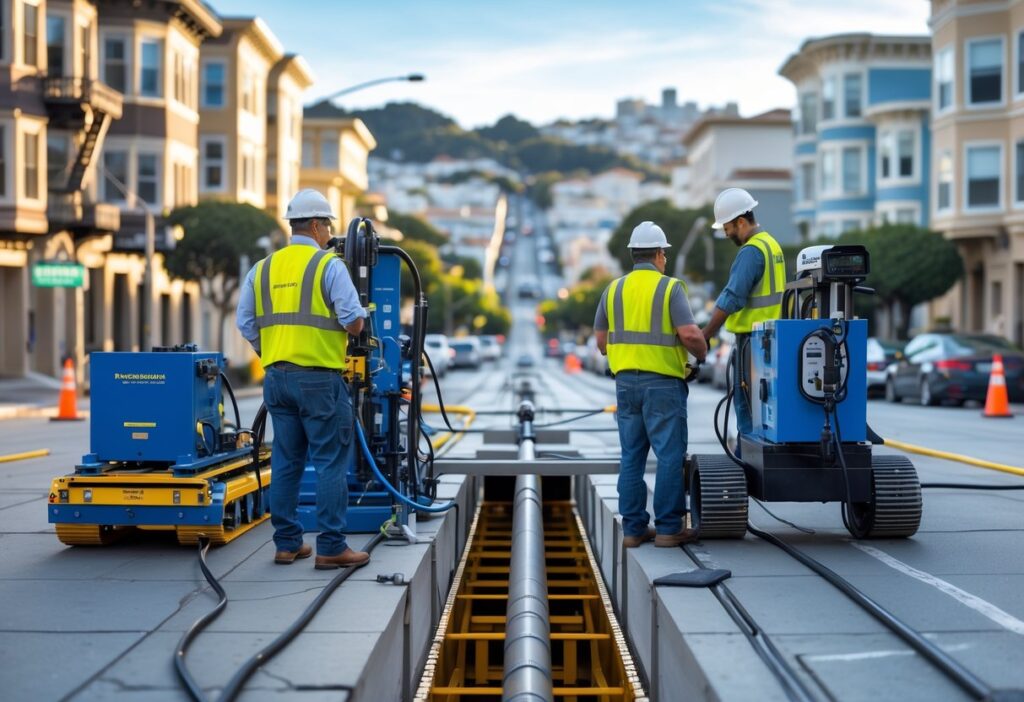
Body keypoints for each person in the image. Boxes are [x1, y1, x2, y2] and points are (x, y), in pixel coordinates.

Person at [236, 189, 369, 570]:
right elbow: (352, 320)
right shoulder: (328, 266)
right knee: (329, 462)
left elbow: (245, 323)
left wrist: (273, 353)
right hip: (319, 381)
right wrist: (360, 322)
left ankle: (287, 544)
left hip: (276, 379)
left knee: (287, 460)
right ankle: (330, 546)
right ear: (314, 225)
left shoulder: (262, 269)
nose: (329, 232)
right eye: (327, 224)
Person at [594, 221, 707, 547]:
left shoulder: (613, 290)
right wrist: (702, 352)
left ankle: (633, 530)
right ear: (659, 254)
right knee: (669, 456)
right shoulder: (670, 288)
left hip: (625, 384)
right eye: (664, 254)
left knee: (632, 456)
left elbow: (601, 342)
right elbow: (689, 334)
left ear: (632, 253)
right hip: (664, 386)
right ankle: (669, 529)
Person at [700, 188, 786, 445]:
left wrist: (705, 335)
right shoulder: (772, 244)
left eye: (727, 227)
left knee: (747, 409)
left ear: (740, 221)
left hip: (753, 342)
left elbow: (731, 298)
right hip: (770, 339)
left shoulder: (751, 251)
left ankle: (747, 466)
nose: (725, 234)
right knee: (765, 409)